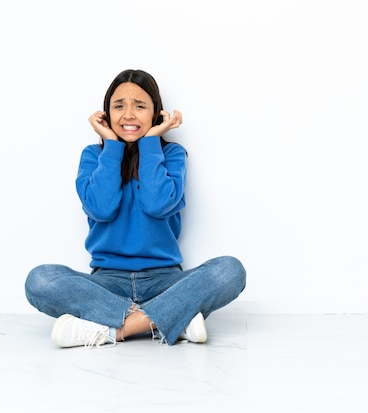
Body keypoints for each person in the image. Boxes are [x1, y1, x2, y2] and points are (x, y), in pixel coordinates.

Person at [24, 69, 246, 348]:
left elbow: (158, 204)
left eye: (140, 106)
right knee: (41, 280)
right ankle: (171, 319)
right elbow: (101, 209)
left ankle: (110, 330)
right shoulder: (93, 156)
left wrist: (151, 141)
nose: (128, 115)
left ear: (155, 113)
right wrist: (112, 146)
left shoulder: (171, 155)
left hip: (165, 281)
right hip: (107, 283)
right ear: (106, 113)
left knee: (229, 270)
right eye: (119, 106)